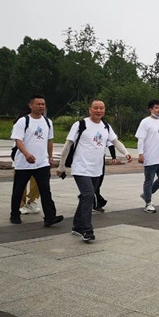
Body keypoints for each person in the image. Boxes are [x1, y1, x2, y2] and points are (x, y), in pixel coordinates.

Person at [57, 99, 132, 242]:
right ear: (89, 109)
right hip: (81, 167)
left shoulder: (106, 126)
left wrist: (126, 152)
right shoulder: (80, 125)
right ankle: (87, 230)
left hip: (97, 169)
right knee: (88, 195)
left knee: (86, 197)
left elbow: (115, 141)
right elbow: (67, 145)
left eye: (101, 108)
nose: (99, 111)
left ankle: (77, 226)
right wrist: (61, 166)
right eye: (96, 108)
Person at [9, 95, 63, 227]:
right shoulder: (23, 121)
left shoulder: (47, 122)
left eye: (43, 104)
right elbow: (18, 140)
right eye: (38, 104)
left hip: (42, 163)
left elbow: (49, 141)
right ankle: (15, 214)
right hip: (24, 163)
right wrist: (26, 154)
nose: (41, 107)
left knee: (45, 191)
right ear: (30, 105)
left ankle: (50, 217)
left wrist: (50, 157)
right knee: (18, 190)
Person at [135, 99, 159, 213]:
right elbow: (141, 139)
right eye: (156, 108)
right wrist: (140, 154)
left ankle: (147, 194)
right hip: (150, 156)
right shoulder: (145, 122)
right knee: (149, 180)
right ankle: (148, 202)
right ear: (150, 109)